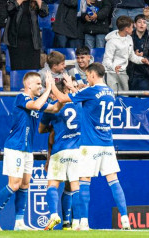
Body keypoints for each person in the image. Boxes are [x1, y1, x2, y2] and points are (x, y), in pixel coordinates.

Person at [50, 62, 131, 230]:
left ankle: (84, 222)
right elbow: (86, 96)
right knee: (114, 181)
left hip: (90, 144)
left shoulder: (90, 90)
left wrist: (52, 85)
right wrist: (73, 87)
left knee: (84, 181)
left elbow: (62, 98)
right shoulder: (110, 91)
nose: (87, 79)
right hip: (107, 143)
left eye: (87, 76)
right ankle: (125, 219)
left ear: (93, 75)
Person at [0, 71, 64, 231]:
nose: (41, 87)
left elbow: (55, 108)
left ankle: (19, 223)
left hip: (28, 149)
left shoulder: (37, 101)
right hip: (15, 147)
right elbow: (35, 106)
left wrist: (56, 91)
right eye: (38, 84)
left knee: (25, 184)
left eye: (42, 84)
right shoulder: (22, 97)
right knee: (14, 184)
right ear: (28, 85)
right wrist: (48, 89)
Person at [39, 79, 82, 231]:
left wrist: (52, 127)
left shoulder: (52, 108)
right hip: (77, 150)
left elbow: (40, 129)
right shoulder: (79, 102)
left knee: (52, 185)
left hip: (60, 150)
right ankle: (75, 222)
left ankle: (53, 215)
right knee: (74, 187)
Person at [103, 15, 149, 91]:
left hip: (123, 72)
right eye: (132, 27)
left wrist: (141, 60)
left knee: (125, 97)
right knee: (112, 96)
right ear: (126, 29)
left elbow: (131, 56)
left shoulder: (129, 38)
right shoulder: (111, 41)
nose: (133, 29)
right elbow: (107, 60)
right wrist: (113, 67)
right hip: (111, 73)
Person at [3, 0, 48, 70]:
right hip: (16, 41)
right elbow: (9, 10)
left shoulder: (35, 2)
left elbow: (44, 13)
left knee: (33, 68)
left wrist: (38, 1)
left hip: (33, 42)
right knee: (18, 67)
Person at [127, 14, 149, 90]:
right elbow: (122, 56)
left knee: (146, 100)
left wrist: (144, 59)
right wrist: (133, 56)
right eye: (139, 22)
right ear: (134, 24)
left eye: (144, 22)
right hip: (130, 74)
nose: (142, 24)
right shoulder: (128, 37)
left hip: (146, 75)